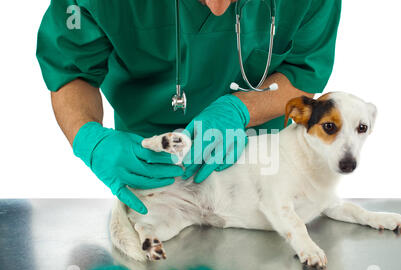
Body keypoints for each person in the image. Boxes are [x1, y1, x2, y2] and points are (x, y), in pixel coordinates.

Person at [36, 0, 341, 214]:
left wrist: (239, 111)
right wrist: (89, 139)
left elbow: (304, 71)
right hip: (154, 170)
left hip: (260, 165)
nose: (219, 7)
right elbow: (70, 70)